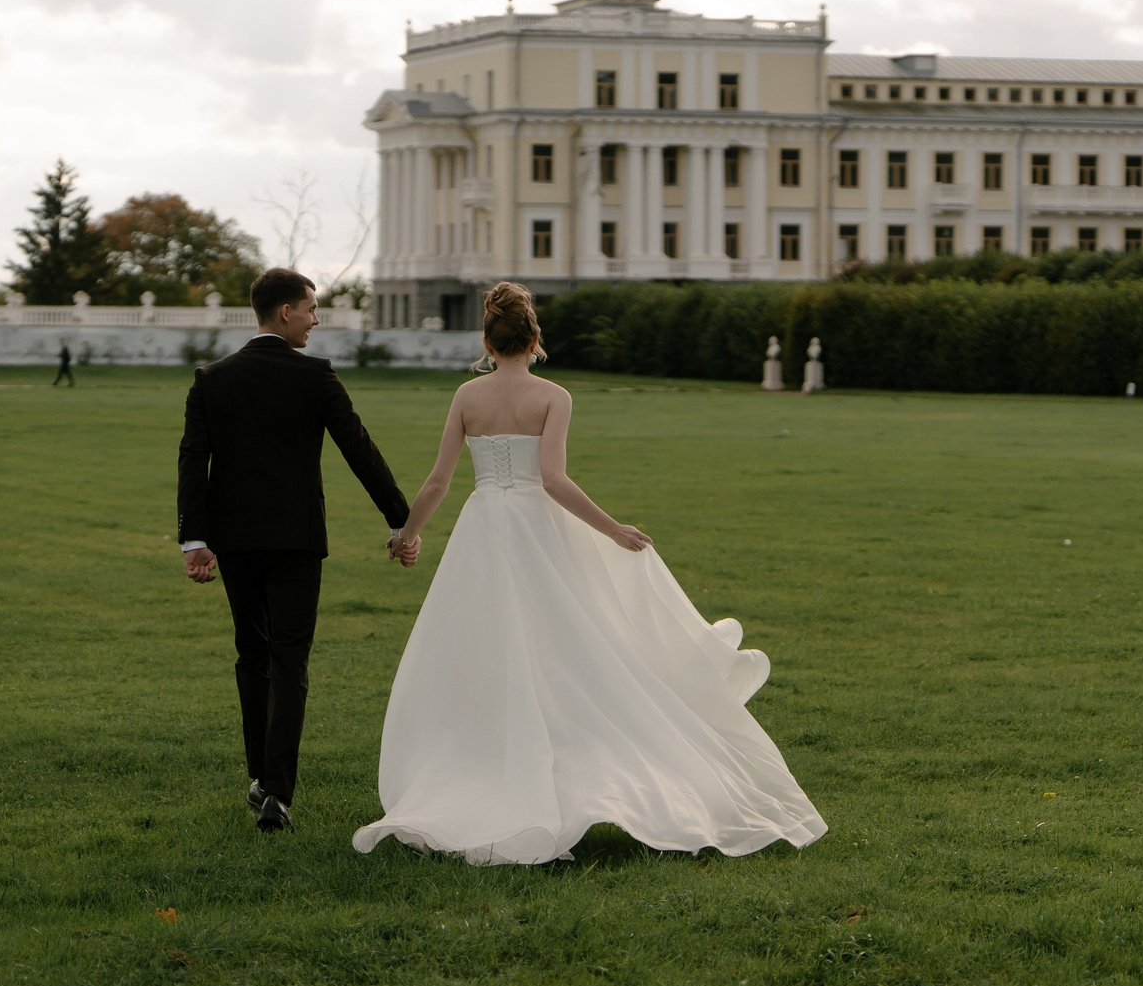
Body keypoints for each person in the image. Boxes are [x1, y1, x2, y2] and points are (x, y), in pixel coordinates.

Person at [354, 282, 825, 865]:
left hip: (485, 527)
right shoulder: (554, 396)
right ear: (535, 340)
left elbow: (437, 482)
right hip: (537, 529)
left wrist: (407, 534)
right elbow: (553, 480)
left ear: (485, 341)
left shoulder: (466, 397)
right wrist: (613, 529)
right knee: (566, 648)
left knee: (485, 647)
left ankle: (491, 762)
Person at [178, 267, 417, 834]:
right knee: (290, 660)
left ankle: (262, 778)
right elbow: (360, 449)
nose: (316, 319)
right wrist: (402, 524)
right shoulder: (315, 377)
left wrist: (195, 538)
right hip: (296, 541)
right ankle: (277, 793)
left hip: (234, 541)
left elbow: (193, 460)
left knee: (252, 655)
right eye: (311, 309)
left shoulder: (213, 378)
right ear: (285, 312)